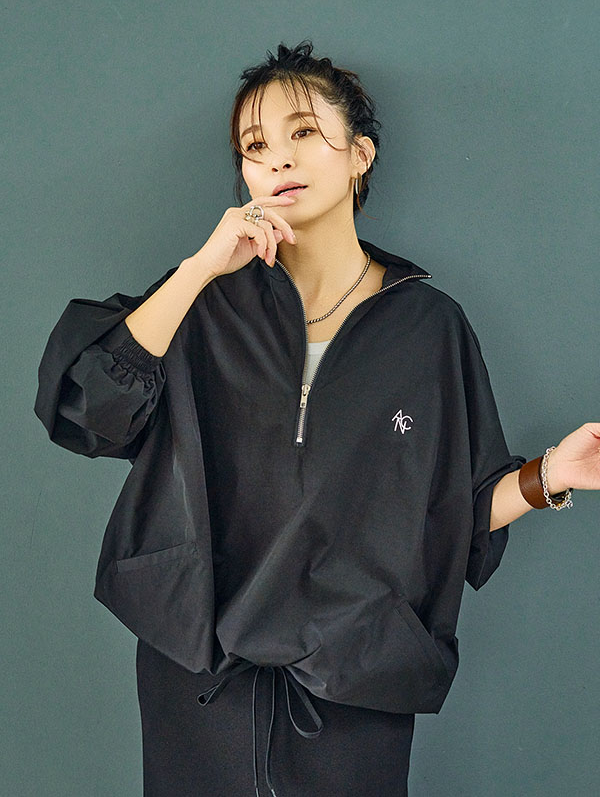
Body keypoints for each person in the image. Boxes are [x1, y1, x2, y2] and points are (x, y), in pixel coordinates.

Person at [34, 41, 600, 797]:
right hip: (198, 670)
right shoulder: (200, 304)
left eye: (303, 131)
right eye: (254, 146)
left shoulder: (429, 328)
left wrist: (551, 476)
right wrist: (200, 268)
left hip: (354, 672)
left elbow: (446, 509)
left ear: (360, 154)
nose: (278, 158)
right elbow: (90, 412)